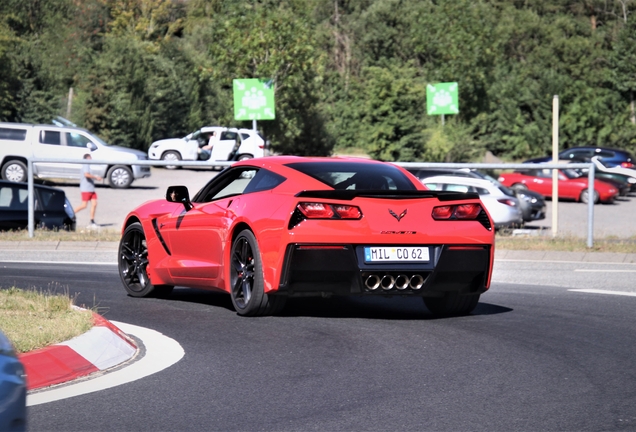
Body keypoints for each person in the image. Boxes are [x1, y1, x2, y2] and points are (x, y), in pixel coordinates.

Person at [74, 153, 102, 228]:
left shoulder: (88, 166)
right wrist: (96, 177)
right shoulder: (86, 164)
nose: (91, 159)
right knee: (84, 205)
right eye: (90, 157)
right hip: (86, 189)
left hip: (91, 189)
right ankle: (71, 214)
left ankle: (92, 221)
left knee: (94, 204)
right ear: (87, 158)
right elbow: (86, 175)